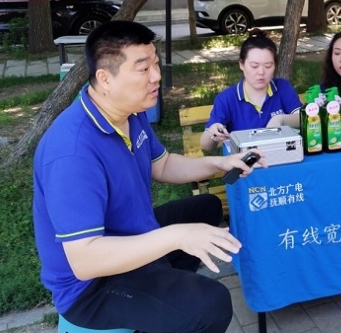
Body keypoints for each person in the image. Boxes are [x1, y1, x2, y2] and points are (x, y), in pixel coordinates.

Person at [33, 20, 266, 333]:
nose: (156, 76)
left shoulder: (131, 112)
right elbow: (85, 261)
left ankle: (163, 300)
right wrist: (178, 236)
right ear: (105, 79)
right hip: (91, 287)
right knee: (213, 304)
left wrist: (220, 163)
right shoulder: (71, 151)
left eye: (156, 63)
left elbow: (163, 165)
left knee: (207, 208)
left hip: (127, 237)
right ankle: (164, 304)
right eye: (143, 69)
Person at [201, 28, 302, 150]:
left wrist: (281, 119)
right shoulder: (227, 99)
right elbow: (206, 145)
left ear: (275, 65)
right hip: (246, 160)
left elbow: (302, 118)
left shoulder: (282, 88)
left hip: (280, 156)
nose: (261, 72)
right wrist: (213, 132)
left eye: (268, 66)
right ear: (241, 64)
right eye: (254, 66)